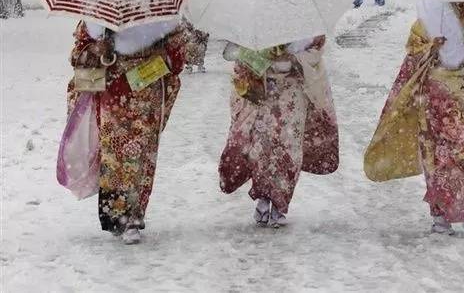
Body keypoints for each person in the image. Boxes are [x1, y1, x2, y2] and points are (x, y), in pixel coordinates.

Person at [364, 0, 464, 235]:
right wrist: (432, 47)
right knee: (437, 152)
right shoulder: (433, 11)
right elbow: (414, 46)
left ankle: (462, 208)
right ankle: (440, 214)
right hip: (436, 89)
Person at [66, 19, 190, 244]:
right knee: (116, 156)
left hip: (145, 95)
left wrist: (162, 55)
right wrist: (95, 50)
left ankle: (132, 214)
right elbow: (77, 56)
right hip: (114, 96)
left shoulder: (162, 17)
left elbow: (178, 56)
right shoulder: (97, 18)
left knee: (140, 157)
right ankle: (121, 214)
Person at [219, 36, 339, 228]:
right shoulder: (257, 22)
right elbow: (239, 56)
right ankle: (264, 198)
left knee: (288, 149)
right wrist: (260, 58)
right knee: (263, 147)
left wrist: (294, 58)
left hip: (293, 93)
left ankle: (280, 202)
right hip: (265, 91)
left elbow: (315, 52)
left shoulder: (306, 23)